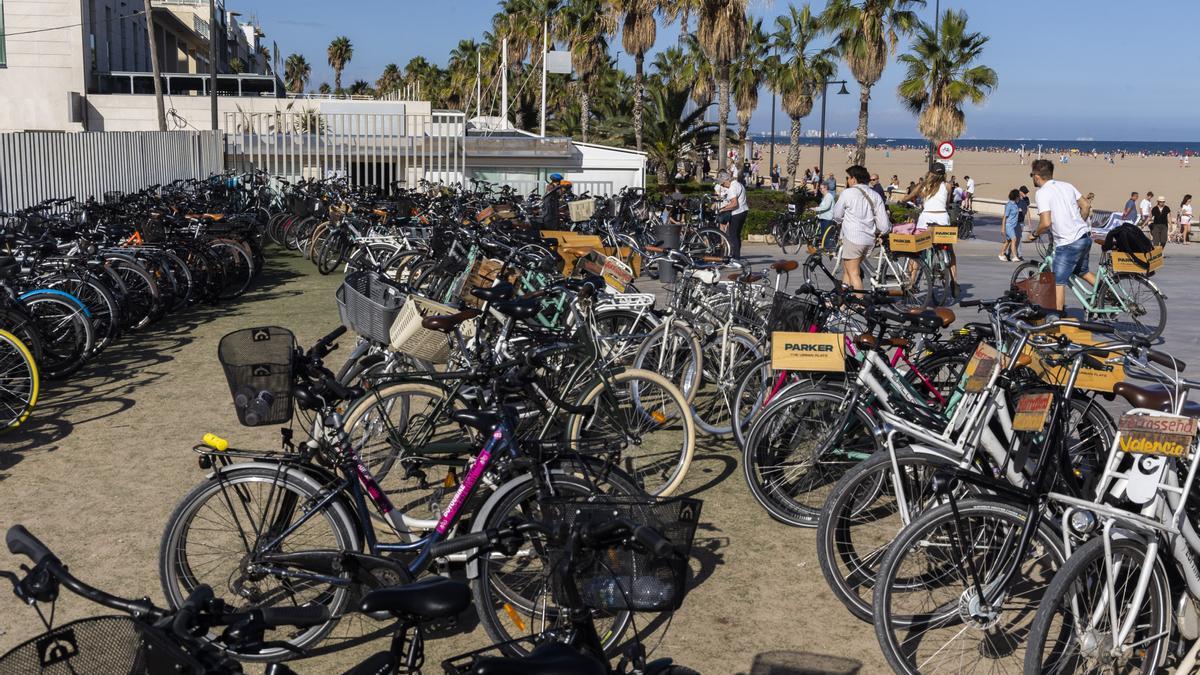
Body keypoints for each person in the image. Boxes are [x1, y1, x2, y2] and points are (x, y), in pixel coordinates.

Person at [1028, 158, 1093, 311]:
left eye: (1031, 175)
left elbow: (1045, 222)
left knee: (1058, 281)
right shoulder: (1067, 186)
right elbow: (1086, 205)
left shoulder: (1042, 193)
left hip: (1068, 242)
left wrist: (1035, 234)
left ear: (1037, 176)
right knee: (1082, 271)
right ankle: (1106, 294)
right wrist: (1079, 223)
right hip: (1084, 236)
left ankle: (1056, 319)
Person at [832, 164, 891, 290]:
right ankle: (843, 303)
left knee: (854, 274)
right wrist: (880, 232)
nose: (847, 180)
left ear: (854, 178)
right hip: (869, 240)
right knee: (848, 271)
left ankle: (860, 303)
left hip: (853, 239)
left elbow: (836, 215)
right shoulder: (875, 195)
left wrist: (843, 220)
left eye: (848, 178)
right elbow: (884, 225)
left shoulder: (848, 193)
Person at [903, 164, 959, 293]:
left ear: (930, 173)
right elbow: (946, 203)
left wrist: (902, 201)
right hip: (942, 220)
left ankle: (911, 282)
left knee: (916, 251)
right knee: (950, 251)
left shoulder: (923, 186)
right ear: (944, 174)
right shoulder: (948, 186)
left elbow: (910, 196)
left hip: (926, 220)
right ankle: (954, 282)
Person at [716, 170, 748, 258]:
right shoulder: (738, 184)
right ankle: (737, 255)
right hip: (744, 211)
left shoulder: (732, 188)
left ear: (726, 180)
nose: (723, 186)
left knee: (733, 235)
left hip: (737, 213)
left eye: (722, 184)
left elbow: (734, 204)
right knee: (737, 235)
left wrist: (723, 209)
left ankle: (736, 256)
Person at [810, 181, 835, 247]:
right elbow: (822, 207)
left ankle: (829, 248)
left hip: (827, 219)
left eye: (821, 188)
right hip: (823, 218)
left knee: (826, 235)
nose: (820, 190)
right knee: (823, 235)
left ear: (826, 188)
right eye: (820, 189)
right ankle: (824, 247)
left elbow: (826, 207)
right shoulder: (825, 196)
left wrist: (816, 208)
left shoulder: (829, 196)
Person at [1001, 189, 1021, 261]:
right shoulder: (1009, 205)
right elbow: (1005, 217)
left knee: (1008, 241)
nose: (1020, 197)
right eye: (1019, 196)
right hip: (1008, 225)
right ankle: (1014, 256)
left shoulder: (1015, 204)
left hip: (1013, 226)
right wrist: (1003, 228)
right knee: (1014, 239)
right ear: (1016, 196)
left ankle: (1001, 254)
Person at [1014, 186, 1030, 260]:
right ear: (1020, 191)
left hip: (1021, 222)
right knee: (1014, 238)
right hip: (1014, 222)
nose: (1025, 194)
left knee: (1019, 238)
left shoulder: (1026, 200)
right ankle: (1010, 253)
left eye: (1026, 193)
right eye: (1024, 193)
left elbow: (1027, 210)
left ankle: (1019, 254)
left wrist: (1029, 222)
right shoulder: (1015, 198)